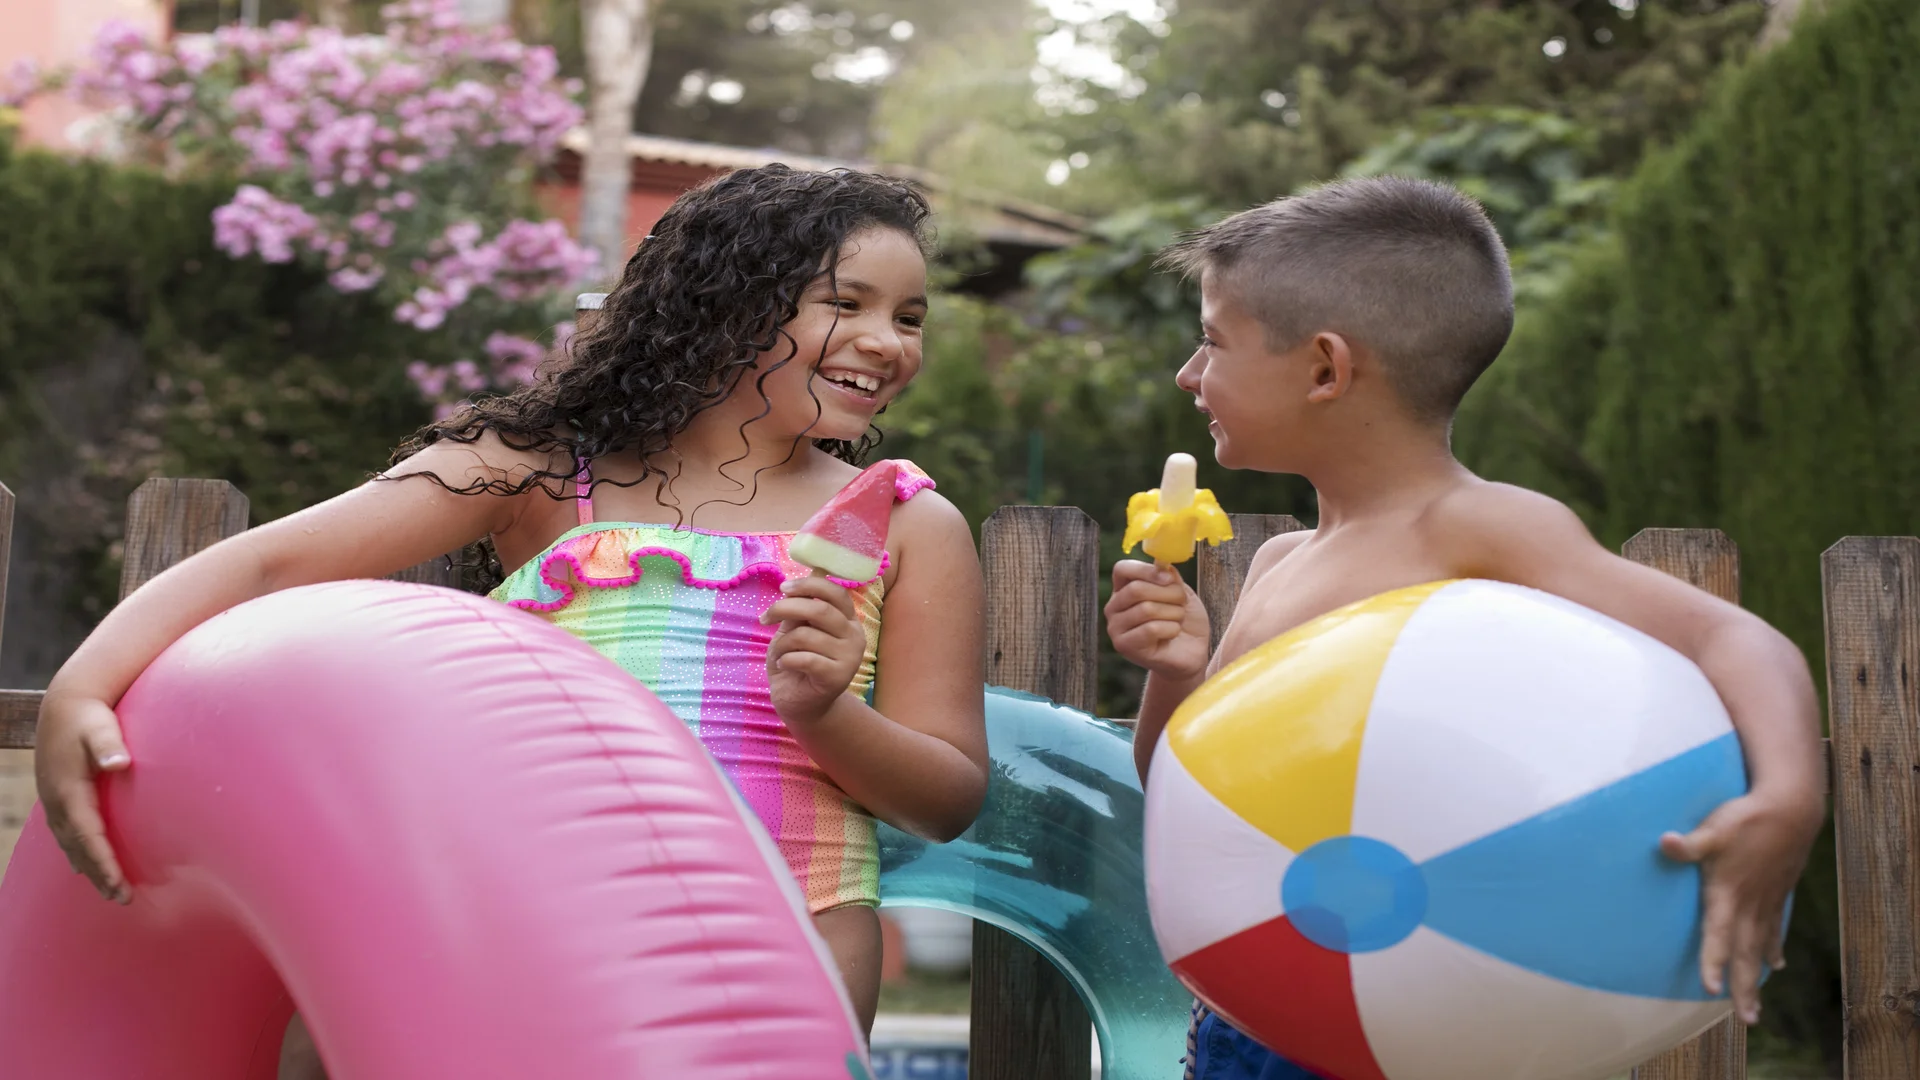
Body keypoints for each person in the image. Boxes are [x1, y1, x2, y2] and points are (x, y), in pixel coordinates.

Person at [34, 164, 990, 1075]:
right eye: (848, 303)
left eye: (909, 318)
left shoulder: (908, 522)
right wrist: (83, 683)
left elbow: (945, 798)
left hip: (799, 922)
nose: (888, 341)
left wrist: (829, 711)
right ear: (730, 300)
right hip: (527, 912)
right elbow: (271, 559)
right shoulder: (545, 470)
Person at [1102, 177, 1826, 1080]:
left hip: (1434, 1030)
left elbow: (1735, 639)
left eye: (1212, 342)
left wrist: (1789, 801)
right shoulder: (1280, 565)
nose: (1189, 374)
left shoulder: (1480, 527)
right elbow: (1197, 796)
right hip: (1252, 1021)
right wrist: (1175, 671)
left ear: (1327, 367)